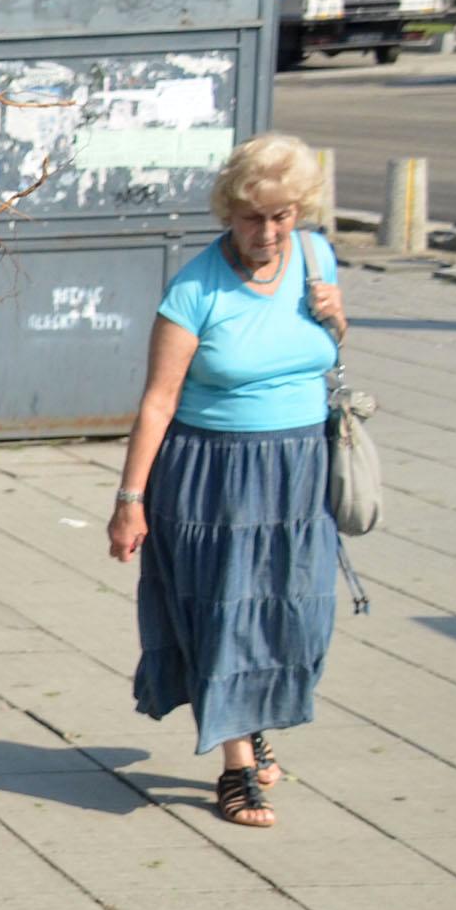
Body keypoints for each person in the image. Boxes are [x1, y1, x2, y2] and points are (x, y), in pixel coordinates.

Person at [107, 131, 349, 830]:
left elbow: (324, 353)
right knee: (226, 614)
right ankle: (237, 768)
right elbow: (157, 401)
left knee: (291, 612)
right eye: (254, 217)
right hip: (214, 475)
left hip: (298, 468)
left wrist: (337, 319)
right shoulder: (194, 289)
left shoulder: (315, 256)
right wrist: (129, 502)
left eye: (282, 216)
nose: (268, 232)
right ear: (229, 212)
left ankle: (251, 717)